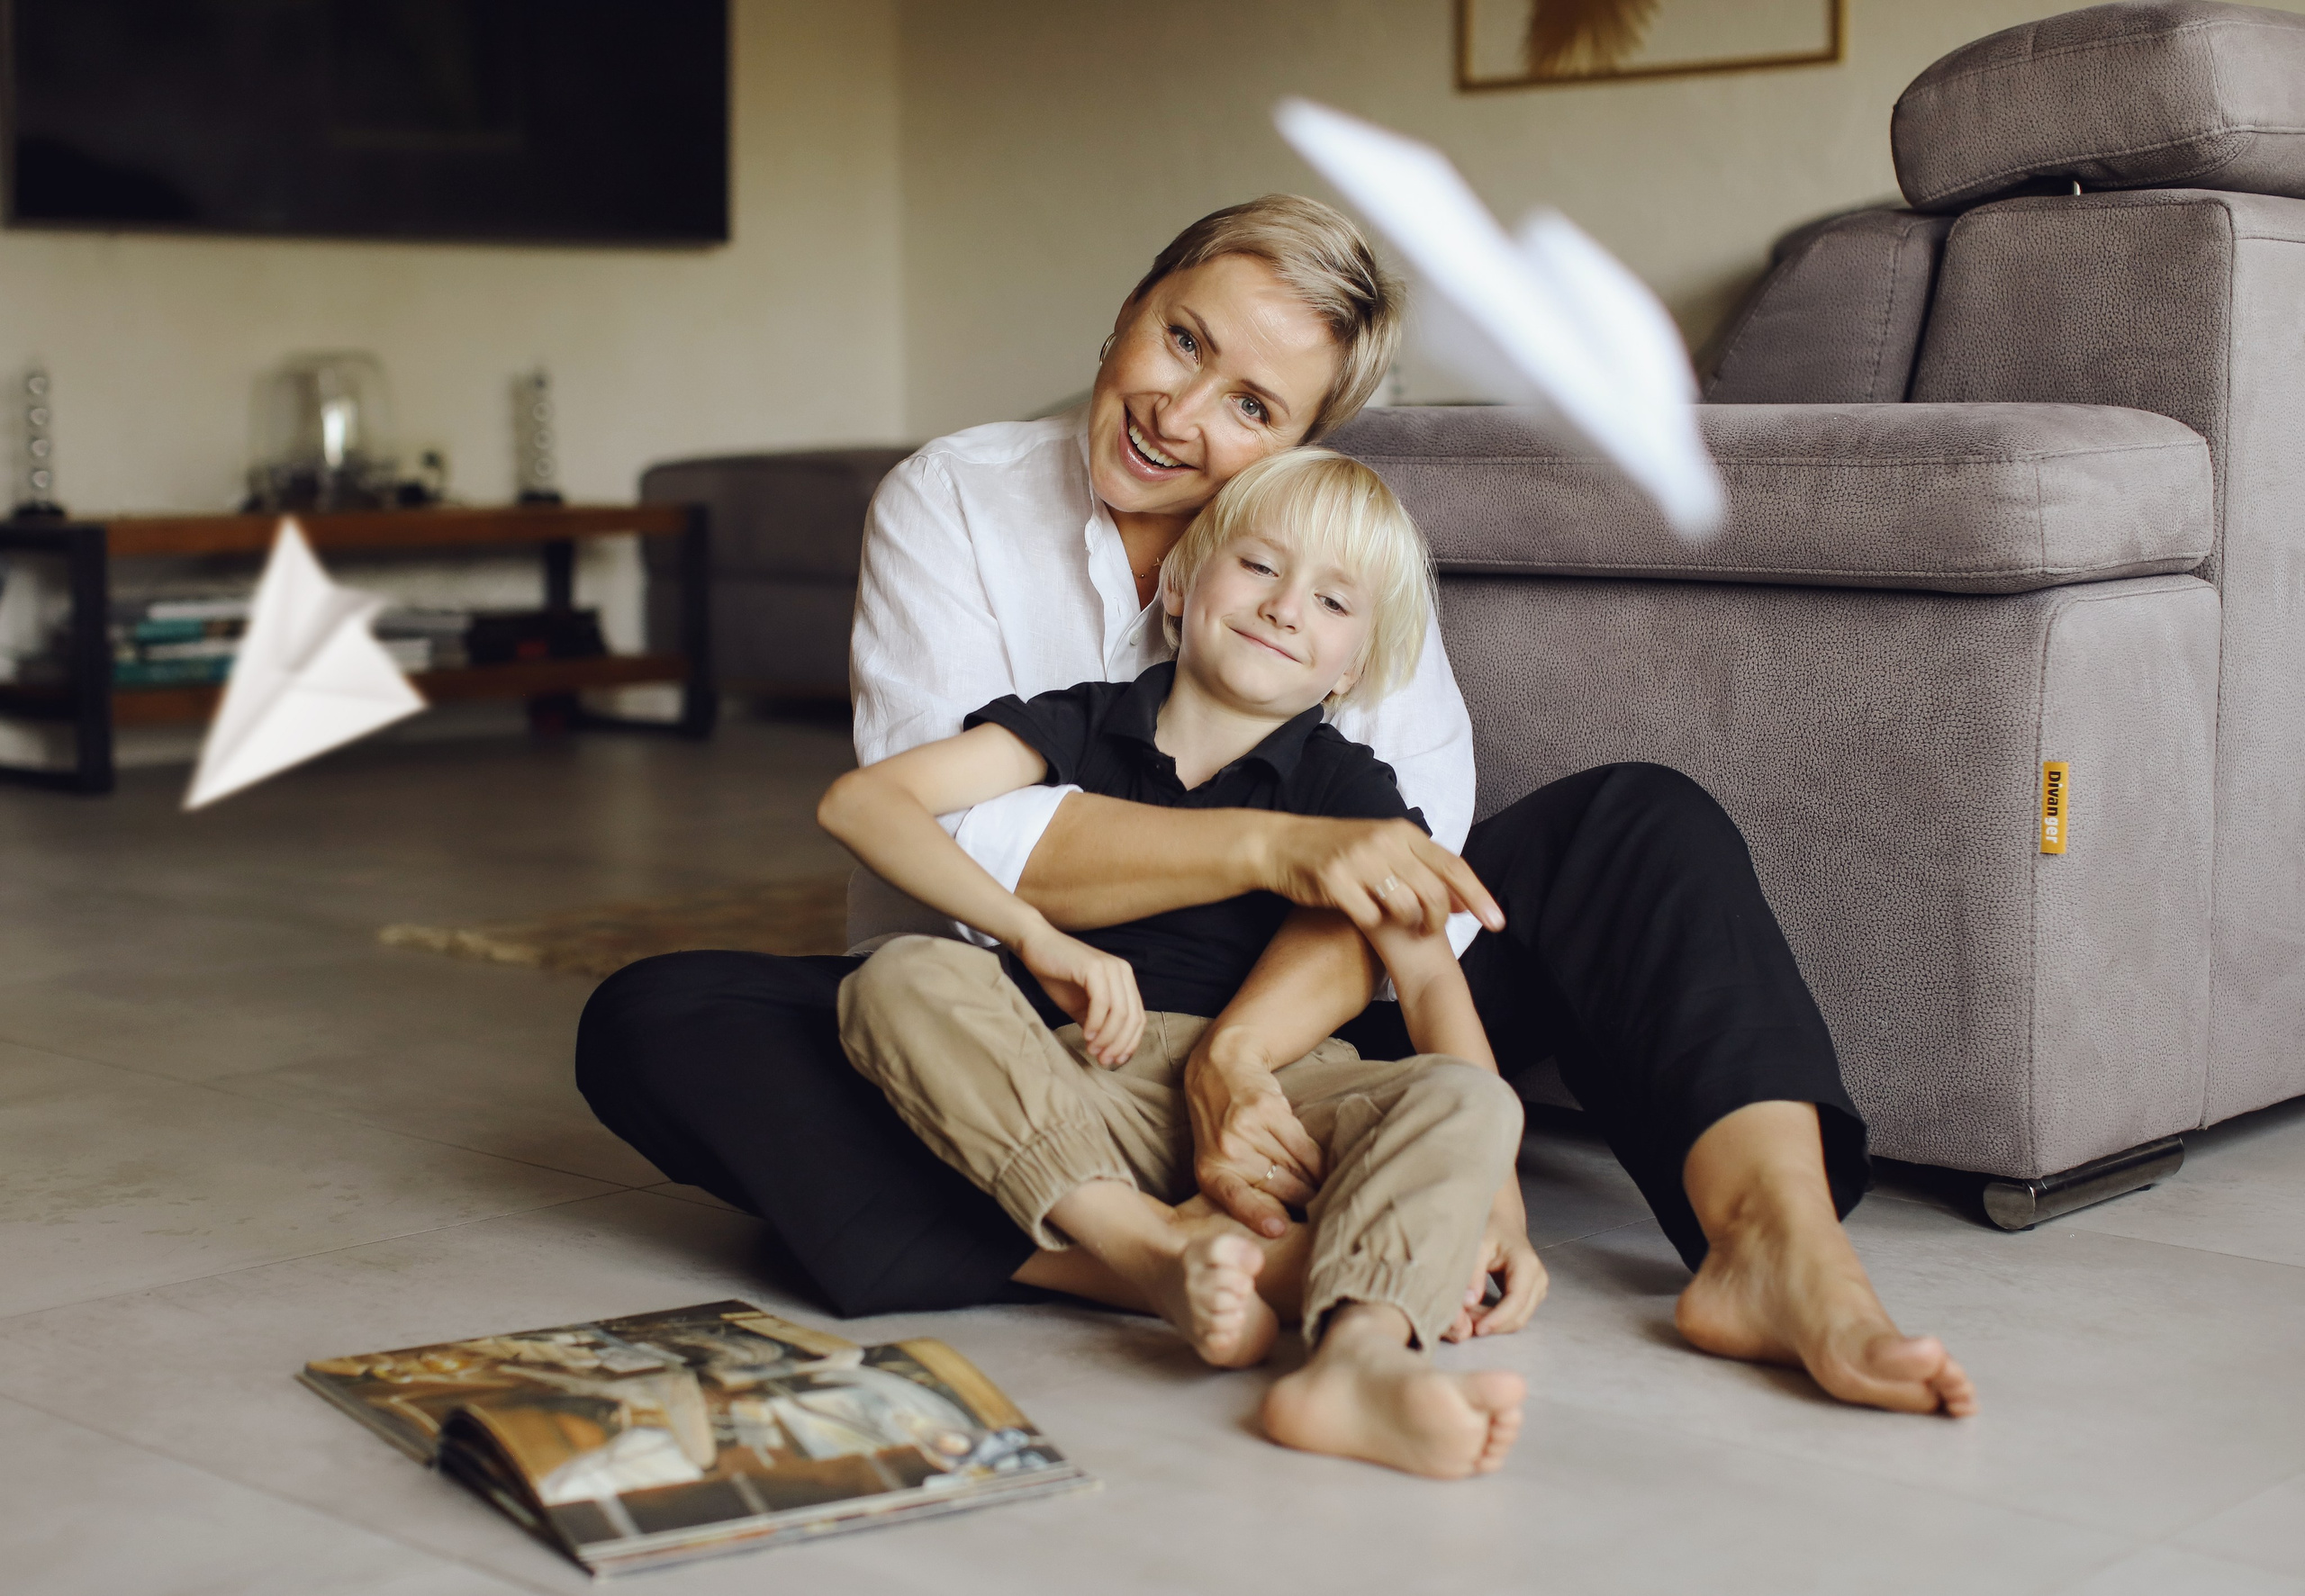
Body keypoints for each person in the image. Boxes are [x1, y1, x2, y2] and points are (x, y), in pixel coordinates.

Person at [576, 194, 1977, 1419]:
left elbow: (1407, 874)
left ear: (1301, 443)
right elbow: (963, 838)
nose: (1181, 416)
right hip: (1030, 1030)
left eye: (1253, 406)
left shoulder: (1332, 564)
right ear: (1133, 309)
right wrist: (1266, 845)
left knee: (1638, 825)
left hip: (1313, 1048)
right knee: (662, 1022)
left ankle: (1773, 1251)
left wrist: (1239, 1055)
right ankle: (1207, 1259)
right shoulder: (949, 503)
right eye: (1182, 343)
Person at [825, 450, 1532, 1478]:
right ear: (1180, 588)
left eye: (1332, 600)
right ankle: (1145, 1252)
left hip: (1284, 1108)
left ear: (1350, 668)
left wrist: (1496, 1207)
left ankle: (1357, 1362)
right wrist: (1031, 934)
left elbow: (1427, 983)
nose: (1287, 607)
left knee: (1471, 1103)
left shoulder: (1352, 787)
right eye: (1259, 567)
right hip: (1077, 1078)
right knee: (897, 976)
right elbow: (862, 804)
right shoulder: (1077, 721)